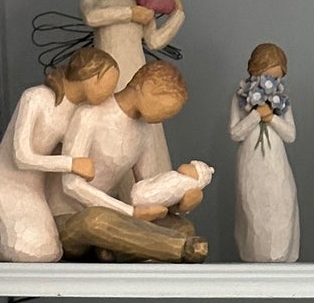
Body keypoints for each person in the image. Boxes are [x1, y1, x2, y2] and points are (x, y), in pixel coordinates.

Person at [0, 47, 119, 262]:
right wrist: (70, 164)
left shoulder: (79, 113)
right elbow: (21, 156)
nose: (110, 94)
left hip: (33, 191)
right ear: (90, 76)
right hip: (0, 183)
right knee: (33, 252)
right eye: (107, 85)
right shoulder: (36, 98)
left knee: (51, 251)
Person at [48, 62, 212, 263]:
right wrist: (130, 212)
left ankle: (114, 250)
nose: (165, 117)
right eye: (166, 109)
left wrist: (180, 203)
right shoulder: (89, 115)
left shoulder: (145, 130)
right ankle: (180, 249)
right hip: (69, 218)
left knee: (182, 227)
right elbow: (71, 185)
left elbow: (150, 189)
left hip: (116, 217)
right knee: (95, 221)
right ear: (147, 87)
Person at [81, 0, 185, 173]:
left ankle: (152, 186)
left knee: (144, 128)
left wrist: (178, 15)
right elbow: (92, 17)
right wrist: (129, 14)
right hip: (106, 76)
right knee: (106, 129)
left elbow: (155, 41)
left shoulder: (141, 2)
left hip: (137, 74)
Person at [230, 42, 299, 263]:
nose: (271, 83)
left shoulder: (282, 101)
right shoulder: (240, 99)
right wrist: (254, 116)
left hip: (276, 162)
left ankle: (281, 253)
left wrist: (271, 117)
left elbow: (290, 135)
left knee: (281, 202)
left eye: (277, 78)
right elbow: (235, 133)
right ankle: (255, 255)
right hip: (251, 162)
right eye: (268, 76)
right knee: (253, 205)